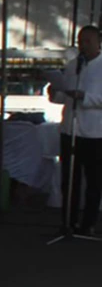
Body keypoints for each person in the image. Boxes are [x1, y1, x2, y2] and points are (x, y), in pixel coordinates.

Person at [47, 24, 102, 235]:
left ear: (98, 42)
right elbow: (64, 96)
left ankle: (88, 224)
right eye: (80, 41)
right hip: (70, 130)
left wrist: (85, 97)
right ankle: (68, 222)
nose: (83, 45)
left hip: (95, 132)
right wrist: (55, 92)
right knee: (69, 179)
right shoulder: (72, 65)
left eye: (88, 41)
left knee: (94, 180)